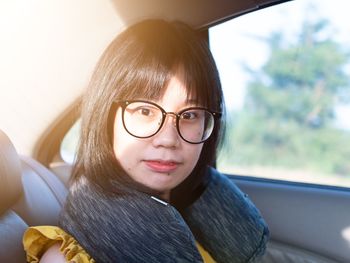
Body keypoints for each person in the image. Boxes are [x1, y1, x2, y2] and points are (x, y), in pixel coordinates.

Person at [23, 19, 269, 263]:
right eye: (144, 111)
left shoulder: (197, 230)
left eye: (190, 115)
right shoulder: (66, 258)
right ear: (105, 117)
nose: (168, 139)